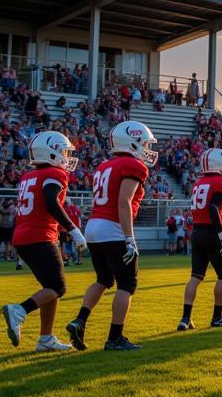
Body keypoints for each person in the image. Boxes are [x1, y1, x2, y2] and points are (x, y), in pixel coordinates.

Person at [65, 121, 156, 352]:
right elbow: (124, 203)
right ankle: (115, 338)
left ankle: (79, 321)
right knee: (127, 284)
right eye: (144, 143)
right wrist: (129, 238)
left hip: (94, 227)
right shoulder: (133, 165)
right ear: (133, 141)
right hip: (113, 228)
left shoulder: (105, 165)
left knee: (104, 280)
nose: (146, 148)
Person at [2, 132, 86, 352]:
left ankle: (46, 339)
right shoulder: (55, 173)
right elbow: (50, 202)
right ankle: (19, 310)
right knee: (58, 287)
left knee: (50, 288)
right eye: (64, 151)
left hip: (23, 236)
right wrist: (73, 229)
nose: (66, 156)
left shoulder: (28, 176)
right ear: (51, 151)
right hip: (39, 236)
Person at [177, 148, 222, 331]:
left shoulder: (199, 183)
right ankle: (217, 317)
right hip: (212, 232)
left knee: (195, 277)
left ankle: (185, 319)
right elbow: (213, 208)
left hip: (197, 233)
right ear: (220, 165)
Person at [0, 197, 16, 262]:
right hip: (8, 227)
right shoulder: (10, 210)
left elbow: (0, 219)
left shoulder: (2, 210)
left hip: (1, 227)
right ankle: (7, 256)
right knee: (7, 243)